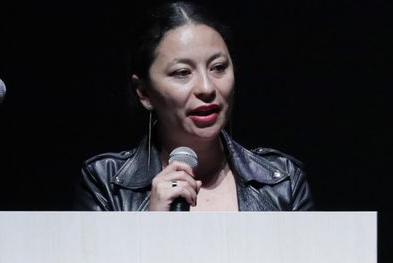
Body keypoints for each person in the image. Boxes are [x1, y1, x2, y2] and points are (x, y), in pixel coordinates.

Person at [75, 1, 313, 211]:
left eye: (218, 67)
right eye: (182, 72)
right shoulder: (104, 182)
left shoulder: (283, 180)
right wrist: (151, 224)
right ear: (144, 93)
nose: (207, 87)